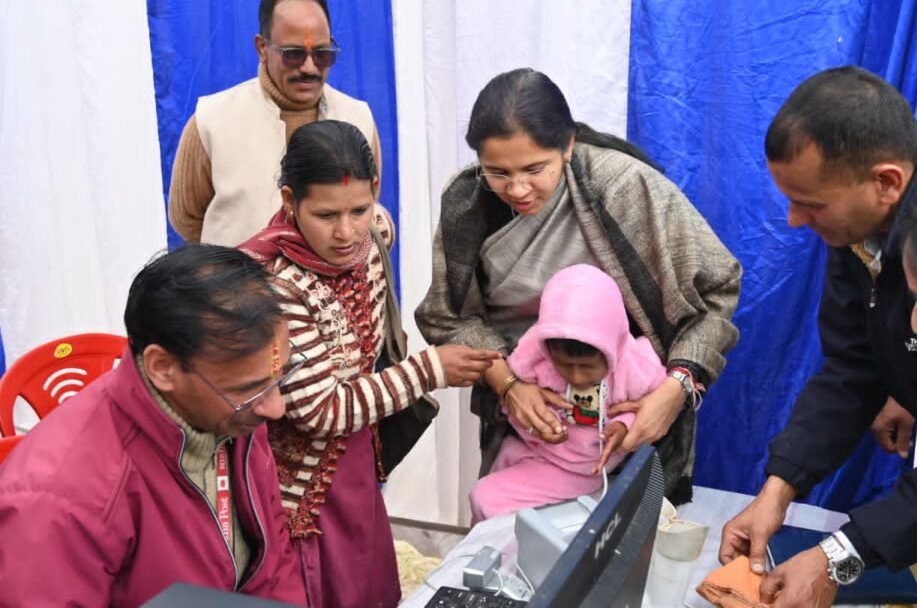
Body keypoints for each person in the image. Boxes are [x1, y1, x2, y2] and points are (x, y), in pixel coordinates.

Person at [415, 68, 742, 505]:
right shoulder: (468, 203)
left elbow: (717, 290)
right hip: (526, 412)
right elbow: (449, 316)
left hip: (632, 408)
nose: (517, 189)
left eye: (534, 169)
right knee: (508, 514)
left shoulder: (625, 188)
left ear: (568, 145)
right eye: (497, 172)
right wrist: (509, 386)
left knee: (624, 531)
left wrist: (674, 390)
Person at [718, 66, 917, 608]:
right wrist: (780, 487)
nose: (793, 220)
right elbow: (854, 367)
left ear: (887, 182)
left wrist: (837, 556)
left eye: (812, 204)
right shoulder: (857, 224)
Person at [238, 119, 501, 608]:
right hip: (303, 487)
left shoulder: (376, 230)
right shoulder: (274, 285)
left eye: (358, 209)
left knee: (370, 581)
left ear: (375, 189)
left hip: (358, 450)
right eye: (325, 215)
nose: (345, 232)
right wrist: (429, 370)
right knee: (326, 588)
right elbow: (321, 412)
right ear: (290, 200)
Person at [0, 245, 307, 607]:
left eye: (279, 378)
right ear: (162, 368)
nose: (275, 408)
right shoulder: (60, 498)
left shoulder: (232, 414)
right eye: (248, 389)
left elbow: (272, 563)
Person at [169, 0, 381, 246]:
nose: (309, 67)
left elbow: (365, 205)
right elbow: (187, 218)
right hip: (238, 273)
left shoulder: (357, 118)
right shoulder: (213, 120)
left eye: (322, 54)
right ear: (262, 48)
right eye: (293, 54)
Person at [469, 264, 667, 523]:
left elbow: (651, 408)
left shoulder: (635, 369)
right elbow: (514, 399)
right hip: (524, 449)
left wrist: (624, 426)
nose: (576, 377)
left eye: (588, 366)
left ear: (615, 346)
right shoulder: (533, 356)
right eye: (563, 364)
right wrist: (537, 417)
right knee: (495, 504)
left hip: (577, 471)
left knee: (485, 498)